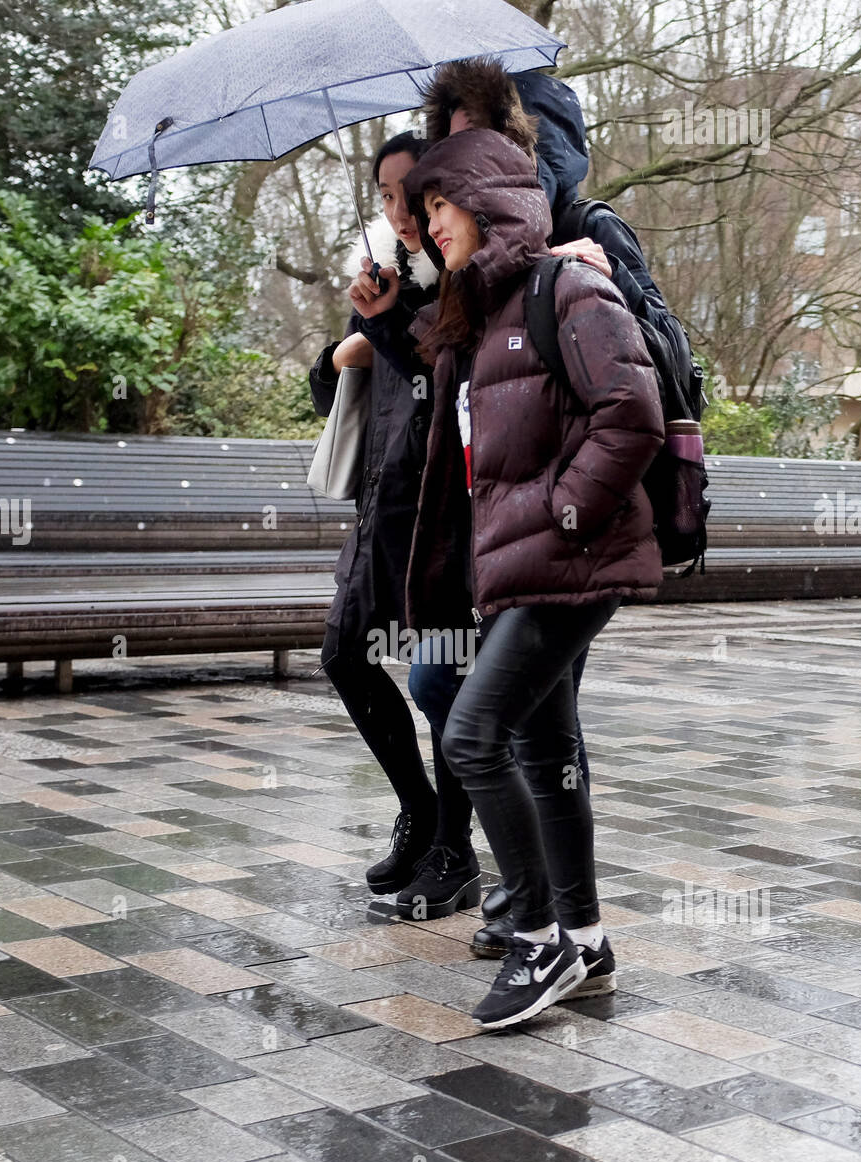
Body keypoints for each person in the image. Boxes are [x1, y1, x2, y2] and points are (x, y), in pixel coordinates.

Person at [410, 59, 690, 954]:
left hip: (571, 541)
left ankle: (540, 922)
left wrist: (566, 513)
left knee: (486, 729)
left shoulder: (581, 239)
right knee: (535, 738)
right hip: (515, 542)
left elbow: (654, 384)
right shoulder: (469, 269)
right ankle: (572, 926)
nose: (444, 175)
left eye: (464, 148)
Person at [309, 131, 481, 920]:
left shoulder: (464, 276)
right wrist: (349, 339)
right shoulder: (386, 272)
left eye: (409, 192)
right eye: (382, 195)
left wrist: (383, 329)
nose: (397, 209)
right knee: (345, 654)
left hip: (447, 511)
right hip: (381, 504)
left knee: (442, 678)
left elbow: (440, 377)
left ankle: (454, 846)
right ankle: (417, 813)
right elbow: (333, 392)